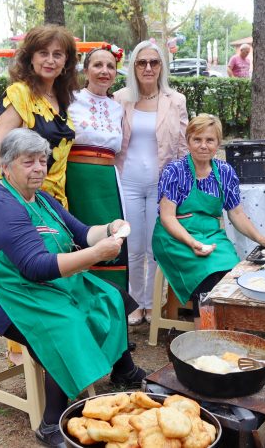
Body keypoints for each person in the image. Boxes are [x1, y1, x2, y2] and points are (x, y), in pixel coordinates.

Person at [0, 129, 145, 447]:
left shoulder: (44, 199)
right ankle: (51, 424)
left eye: (42, 160)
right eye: (29, 162)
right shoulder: (0, 205)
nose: (39, 168)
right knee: (63, 325)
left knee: (109, 296)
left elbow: (81, 232)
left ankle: (124, 371)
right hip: (6, 294)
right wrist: (95, 255)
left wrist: (109, 228)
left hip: (48, 285)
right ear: (6, 166)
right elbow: (35, 267)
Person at [152, 114, 265, 327]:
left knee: (232, 273)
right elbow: (167, 217)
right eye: (197, 139)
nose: (203, 145)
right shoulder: (174, 171)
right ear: (188, 141)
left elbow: (237, 214)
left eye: (209, 140)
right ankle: (206, 336)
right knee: (208, 274)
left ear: (218, 143)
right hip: (175, 237)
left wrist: (262, 239)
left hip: (211, 235)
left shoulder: (225, 172)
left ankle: (225, 329)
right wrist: (192, 243)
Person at [114, 40, 189, 325]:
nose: (148, 68)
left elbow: (182, 146)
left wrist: (181, 185)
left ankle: (152, 303)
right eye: (141, 62)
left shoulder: (176, 100)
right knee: (132, 246)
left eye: (154, 63)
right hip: (128, 183)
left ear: (162, 67)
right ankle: (135, 303)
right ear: (133, 66)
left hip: (162, 185)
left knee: (154, 248)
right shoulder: (121, 98)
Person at [0, 25, 78, 209]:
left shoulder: (62, 97)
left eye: (57, 54)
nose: (50, 60)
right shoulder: (19, 93)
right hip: (22, 199)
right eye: (43, 53)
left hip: (56, 200)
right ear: (31, 57)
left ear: (66, 61)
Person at [66, 45, 128, 288]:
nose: (104, 71)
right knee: (80, 235)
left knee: (113, 235)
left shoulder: (118, 107)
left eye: (110, 66)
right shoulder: (70, 99)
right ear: (86, 69)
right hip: (77, 179)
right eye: (98, 65)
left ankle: (113, 299)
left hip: (108, 181)